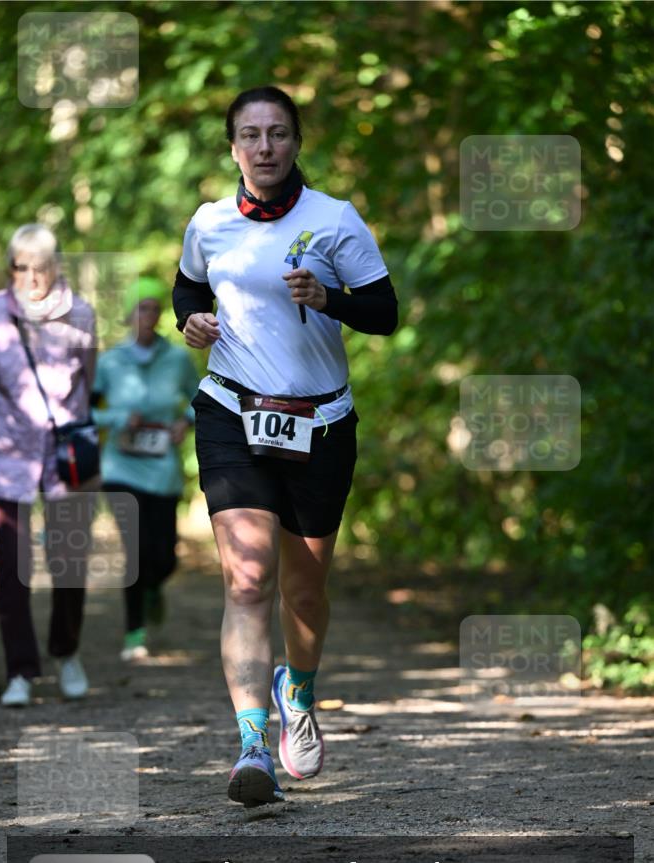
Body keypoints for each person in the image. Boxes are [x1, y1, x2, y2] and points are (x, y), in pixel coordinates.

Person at [173, 86, 398, 807]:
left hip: (319, 422)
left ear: (297, 142)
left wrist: (331, 299)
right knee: (246, 579)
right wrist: (193, 324)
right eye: (249, 134)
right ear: (232, 146)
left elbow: (385, 313)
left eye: (276, 133)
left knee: (304, 590)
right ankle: (250, 746)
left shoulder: (334, 221)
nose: (263, 147)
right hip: (231, 410)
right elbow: (186, 291)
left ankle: (296, 691)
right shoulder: (208, 224)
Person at [0, 224, 96, 707]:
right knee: (12, 567)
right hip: (4, 458)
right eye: (21, 266)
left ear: (57, 267)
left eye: (41, 266)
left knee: (69, 562)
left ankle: (66, 651)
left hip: (63, 459)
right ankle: (21, 671)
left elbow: (87, 389)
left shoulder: (82, 317)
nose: (31, 277)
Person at [91, 278, 198, 661]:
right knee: (135, 551)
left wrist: (184, 420)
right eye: (142, 308)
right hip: (121, 467)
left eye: (154, 308)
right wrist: (118, 417)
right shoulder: (110, 362)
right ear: (129, 313)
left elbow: (204, 396)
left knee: (165, 556)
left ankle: (154, 589)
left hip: (163, 467)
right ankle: (134, 633)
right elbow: (86, 412)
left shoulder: (178, 359)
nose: (148, 315)